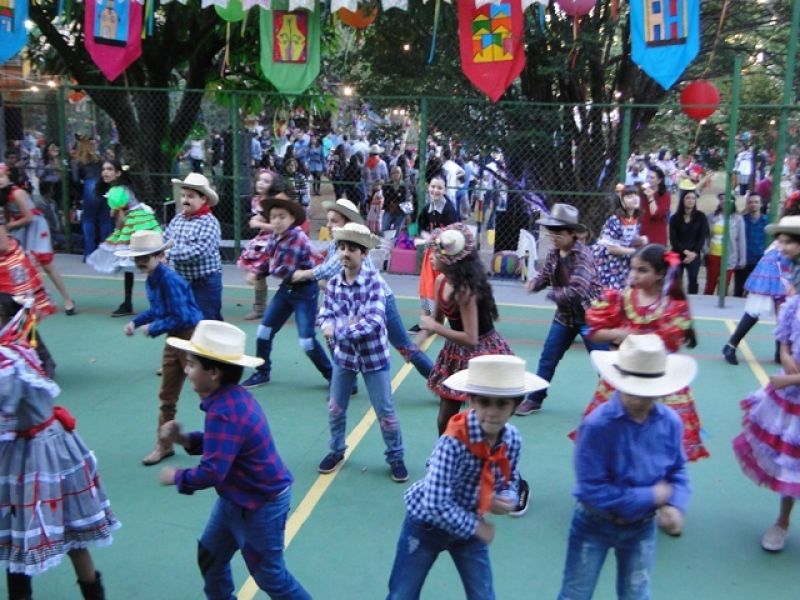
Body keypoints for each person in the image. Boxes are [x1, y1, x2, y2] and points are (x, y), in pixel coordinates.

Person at [157, 321, 311, 599]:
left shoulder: (225, 411)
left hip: (260, 504)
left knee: (270, 576)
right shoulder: (229, 398)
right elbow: (222, 445)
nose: (186, 370)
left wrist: (177, 476)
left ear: (213, 372)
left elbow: (212, 471)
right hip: (235, 499)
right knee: (210, 556)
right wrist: (184, 439)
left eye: (191, 365)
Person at [386, 354, 548, 600]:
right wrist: (476, 527)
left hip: (469, 524)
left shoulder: (512, 440)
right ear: (471, 401)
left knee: (483, 595)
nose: (492, 412)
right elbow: (435, 503)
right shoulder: (453, 441)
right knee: (402, 594)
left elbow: (510, 478)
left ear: (515, 406)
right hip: (426, 526)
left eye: (502, 404)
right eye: (484, 402)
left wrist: (506, 498)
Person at [557, 334, 695, 600]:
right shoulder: (597, 426)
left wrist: (676, 504)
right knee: (576, 592)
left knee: (636, 593)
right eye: (633, 390)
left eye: (648, 392)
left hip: (642, 525)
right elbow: (592, 490)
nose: (640, 399)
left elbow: (677, 469)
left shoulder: (670, 423)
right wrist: (653, 496)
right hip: (594, 522)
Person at [0, 294, 119, 600]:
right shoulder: (20, 349)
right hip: (39, 448)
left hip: (37, 453)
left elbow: (4, 410)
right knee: (33, 528)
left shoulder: (9, 361)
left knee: (33, 527)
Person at [577, 244, 708, 465]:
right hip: (625, 377)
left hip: (657, 380)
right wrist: (620, 334)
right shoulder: (622, 298)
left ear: (660, 274)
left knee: (657, 439)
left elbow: (668, 344)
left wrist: (632, 338)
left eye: (642, 270)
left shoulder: (673, 306)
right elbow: (595, 334)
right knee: (612, 434)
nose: (634, 275)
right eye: (633, 268)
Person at [292, 198, 433, 380]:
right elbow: (329, 277)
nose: (329, 225)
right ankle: (346, 383)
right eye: (328, 220)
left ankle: (437, 381)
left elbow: (327, 270)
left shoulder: (353, 247)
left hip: (380, 301)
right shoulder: (336, 245)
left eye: (334, 221)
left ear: (347, 224)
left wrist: (302, 274)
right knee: (335, 339)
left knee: (404, 347)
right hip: (353, 304)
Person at [317, 223, 408, 481]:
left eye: (352, 249)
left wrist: (339, 330)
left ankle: (396, 456)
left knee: (385, 411)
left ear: (364, 253)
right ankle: (336, 450)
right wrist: (330, 325)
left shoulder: (374, 282)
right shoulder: (334, 284)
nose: (345, 253)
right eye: (342, 248)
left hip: (373, 356)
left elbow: (374, 321)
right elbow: (325, 314)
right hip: (344, 357)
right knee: (335, 407)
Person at [732, 215, 800, 553]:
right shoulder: (794, 291)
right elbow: (786, 331)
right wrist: (785, 353)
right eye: (781, 240)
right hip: (794, 396)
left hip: (793, 383)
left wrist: (790, 377)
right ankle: (782, 521)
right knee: (791, 462)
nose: (781, 247)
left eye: (788, 241)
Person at [117, 230, 203, 465]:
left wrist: (154, 328)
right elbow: (158, 310)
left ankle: (223, 441)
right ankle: (164, 445)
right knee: (167, 395)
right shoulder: (153, 278)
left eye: (145, 257)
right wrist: (136, 322)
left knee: (206, 393)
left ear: (161, 256)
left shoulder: (170, 280)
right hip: (174, 339)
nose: (140, 262)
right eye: (137, 258)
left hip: (190, 337)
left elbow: (182, 316)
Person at [517, 204, 606, 416]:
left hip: (591, 317)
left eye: (559, 233)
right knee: (548, 357)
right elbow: (545, 275)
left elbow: (578, 290)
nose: (554, 238)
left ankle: (612, 403)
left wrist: (551, 295)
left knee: (602, 363)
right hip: (565, 317)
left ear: (572, 233)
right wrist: (534, 284)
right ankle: (535, 399)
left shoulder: (583, 256)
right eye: (551, 233)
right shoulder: (554, 254)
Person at [241, 193, 332, 389]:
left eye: (282, 216)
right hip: (287, 289)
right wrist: (257, 271)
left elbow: (283, 270)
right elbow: (268, 258)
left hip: (304, 291)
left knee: (306, 341)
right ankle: (262, 372)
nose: (277, 221)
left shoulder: (297, 238)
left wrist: (257, 273)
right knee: (264, 331)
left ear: (292, 219)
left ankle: (333, 376)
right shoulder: (276, 235)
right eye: (273, 217)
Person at [723, 197, 800, 366]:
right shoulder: (791, 225)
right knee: (758, 308)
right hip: (776, 266)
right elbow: (783, 248)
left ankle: (779, 352)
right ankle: (731, 345)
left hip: (784, 265)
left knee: (783, 310)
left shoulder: (789, 223)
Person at [0, 162, 76, 315]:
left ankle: (67, 299)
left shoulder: (17, 193)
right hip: (20, 228)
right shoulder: (3, 195)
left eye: (1, 176)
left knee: (46, 264)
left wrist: (8, 227)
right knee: (22, 264)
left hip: (35, 226)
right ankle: (29, 301)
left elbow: (28, 217)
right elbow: (8, 216)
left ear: (8, 175)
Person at [87, 161, 161, 317]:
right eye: (103, 169)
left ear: (118, 173)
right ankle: (145, 303)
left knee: (135, 262)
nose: (105, 172)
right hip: (142, 221)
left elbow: (121, 220)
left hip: (134, 224)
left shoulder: (116, 191)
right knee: (140, 263)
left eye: (110, 169)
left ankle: (139, 303)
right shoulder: (123, 188)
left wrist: (119, 232)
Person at [165, 173, 223, 321]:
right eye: (183, 196)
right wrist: (159, 250)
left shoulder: (209, 222)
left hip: (205, 282)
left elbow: (199, 252)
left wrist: (169, 254)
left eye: (190, 196)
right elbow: (166, 239)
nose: (185, 200)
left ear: (203, 199)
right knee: (185, 321)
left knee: (207, 321)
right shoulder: (178, 219)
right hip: (182, 280)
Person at [412, 174, 459, 333]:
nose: (435, 190)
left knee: (443, 287)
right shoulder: (427, 208)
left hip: (446, 254)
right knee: (425, 287)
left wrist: (437, 241)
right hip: (431, 253)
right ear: (428, 187)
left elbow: (454, 235)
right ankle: (425, 318)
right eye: (433, 186)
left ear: (445, 189)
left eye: (439, 187)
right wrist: (423, 236)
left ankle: (441, 318)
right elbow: (420, 227)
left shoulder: (449, 210)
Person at [237, 169, 277, 321]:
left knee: (292, 277)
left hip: (279, 237)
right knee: (257, 260)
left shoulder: (275, 202)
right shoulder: (256, 200)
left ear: (273, 185)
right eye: (260, 180)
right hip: (264, 236)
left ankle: (254, 272)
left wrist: (258, 223)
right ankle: (259, 308)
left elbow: (280, 227)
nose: (261, 183)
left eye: (266, 181)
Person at [592, 185, 647, 290]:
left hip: (622, 259)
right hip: (607, 261)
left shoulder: (635, 218)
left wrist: (639, 240)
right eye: (629, 196)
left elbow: (628, 240)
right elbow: (611, 248)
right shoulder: (615, 220)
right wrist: (634, 251)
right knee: (611, 291)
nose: (635, 198)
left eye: (636, 195)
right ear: (621, 201)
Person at [73, 136, 109, 260]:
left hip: (89, 186)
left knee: (88, 220)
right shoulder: (100, 160)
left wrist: (80, 193)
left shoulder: (77, 161)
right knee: (105, 220)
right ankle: (105, 252)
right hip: (103, 186)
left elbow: (75, 179)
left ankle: (89, 252)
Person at [669, 186, 708, 295]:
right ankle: (677, 300)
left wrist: (693, 253)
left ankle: (693, 299)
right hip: (678, 253)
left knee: (693, 279)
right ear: (682, 200)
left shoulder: (701, 217)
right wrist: (685, 252)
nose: (691, 200)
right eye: (688, 198)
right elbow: (673, 240)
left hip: (694, 254)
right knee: (676, 280)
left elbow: (702, 238)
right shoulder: (675, 218)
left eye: (693, 198)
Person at [704, 192, 746, 295]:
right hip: (713, 255)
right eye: (722, 199)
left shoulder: (738, 219)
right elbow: (705, 236)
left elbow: (741, 240)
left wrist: (742, 258)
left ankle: (721, 304)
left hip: (729, 256)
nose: (724, 201)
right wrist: (706, 250)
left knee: (724, 286)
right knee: (710, 285)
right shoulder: (711, 217)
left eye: (727, 199)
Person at [734, 191, 769, 298]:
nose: (753, 204)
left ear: (761, 204)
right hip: (744, 260)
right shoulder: (741, 220)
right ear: (747, 204)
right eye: (750, 202)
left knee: (757, 292)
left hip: (760, 260)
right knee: (739, 289)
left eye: (756, 202)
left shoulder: (767, 221)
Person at [638, 166, 671, 246]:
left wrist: (650, 198)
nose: (648, 180)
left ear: (659, 180)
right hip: (642, 233)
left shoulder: (664, 196)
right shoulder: (641, 193)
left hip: (656, 235)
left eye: (652, 178)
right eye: (647, 177)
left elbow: (656, 214)